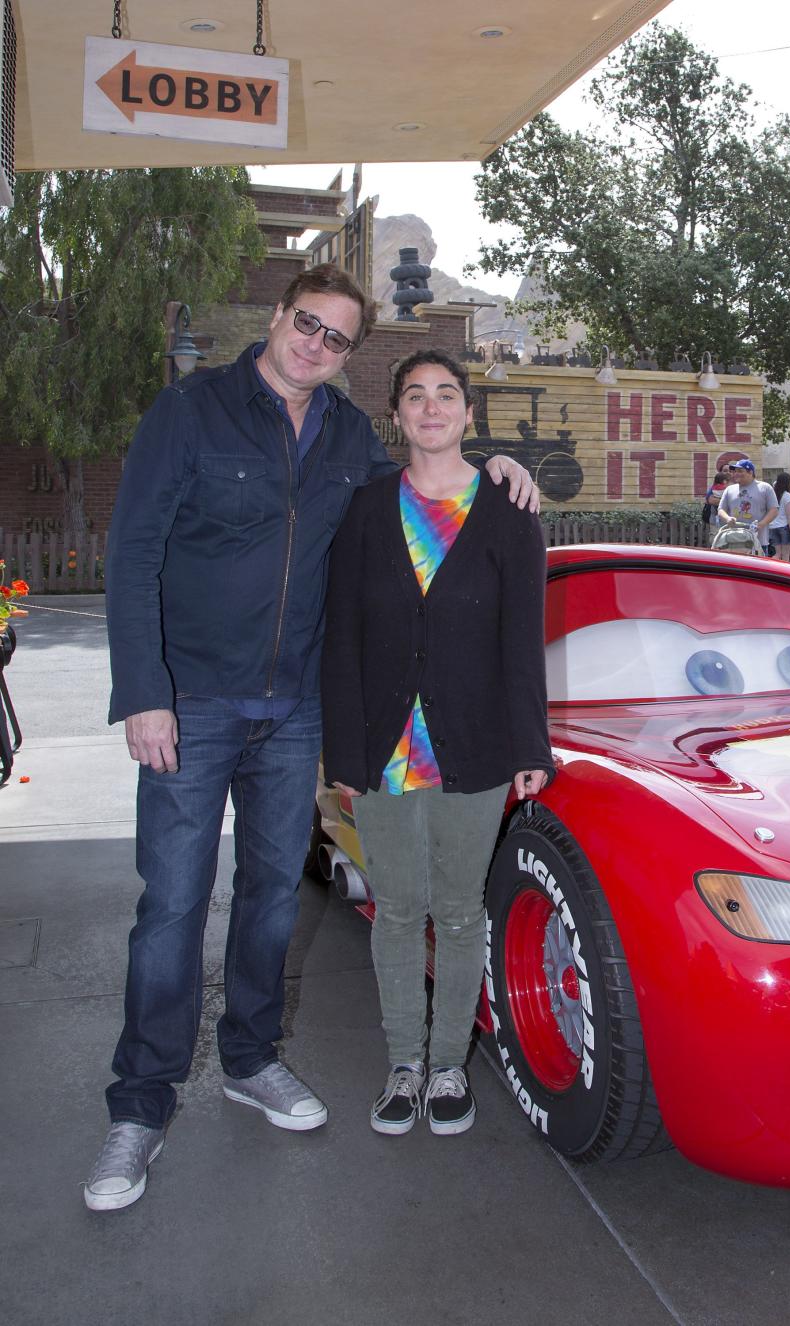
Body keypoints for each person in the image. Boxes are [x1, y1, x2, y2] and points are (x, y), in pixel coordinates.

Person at [89, 265, 536, 1212]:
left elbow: (424, 495)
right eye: (307, 325)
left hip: (293, 710)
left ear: (346, 356)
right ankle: (141, 1105)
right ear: (276, 318)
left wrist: (498, 464)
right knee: (171, 907)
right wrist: (144, 690)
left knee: (267, 901)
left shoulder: (345, 436)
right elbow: (132, 551)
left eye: (337, 340)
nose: (316, 347)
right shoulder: (193, 411)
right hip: (194, 699)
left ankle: (251, 1062)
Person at [321, 350, 553, 1138]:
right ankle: (403, 1065)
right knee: (397, 911)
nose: (431, 407)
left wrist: (532, 746)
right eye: (415, 396)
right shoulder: (364, 509)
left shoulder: (509, 508)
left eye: (446, 394)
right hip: (386, 750)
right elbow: (342, 639)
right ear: (397, 415)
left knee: (458, 914)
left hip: (479, 747)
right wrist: (344, 753)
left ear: (466, 412)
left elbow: (523, 639)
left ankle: (449, 1062)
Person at [718, 459, 779, 554]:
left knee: (757, 568)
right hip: (733, 541)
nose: (736, 474)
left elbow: (774, 510)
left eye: (740, 471)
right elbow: (721, 509)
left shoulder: (765, 488)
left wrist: (761, 524)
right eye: (735, 471)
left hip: (758, 542)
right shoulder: (729, 489)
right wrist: (727, 518)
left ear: (750, 472)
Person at [769, 471, 790, 560]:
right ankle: (785, 573)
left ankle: (771, 569)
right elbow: (789, 515)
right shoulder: (787, 495)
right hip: (784, 527)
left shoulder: (773, 495)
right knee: (785, 555)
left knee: (778, 554)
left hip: (773, 527)